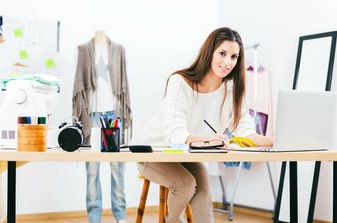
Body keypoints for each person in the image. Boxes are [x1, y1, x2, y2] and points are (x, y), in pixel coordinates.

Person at [138, 27, 273, 223]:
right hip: (155, 151)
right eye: (223, 54)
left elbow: (245, 131)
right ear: (210, 51)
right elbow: (175, 132)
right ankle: (173, 220)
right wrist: (205, 139)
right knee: (185, 183)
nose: (228, 62)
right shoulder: (180, 82)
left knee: (202, 196)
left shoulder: (232, 90)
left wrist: (277, 141)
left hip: (188, 155)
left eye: (234, 57)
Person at [72, 31, 131, 223]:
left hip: (113, 114)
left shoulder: (118, 50)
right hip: (92, 115)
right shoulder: (83, 50)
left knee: (117, 168)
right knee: (92, 170)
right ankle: (94, 217)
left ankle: (120, 216)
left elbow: (123, 83)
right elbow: (79, 86)